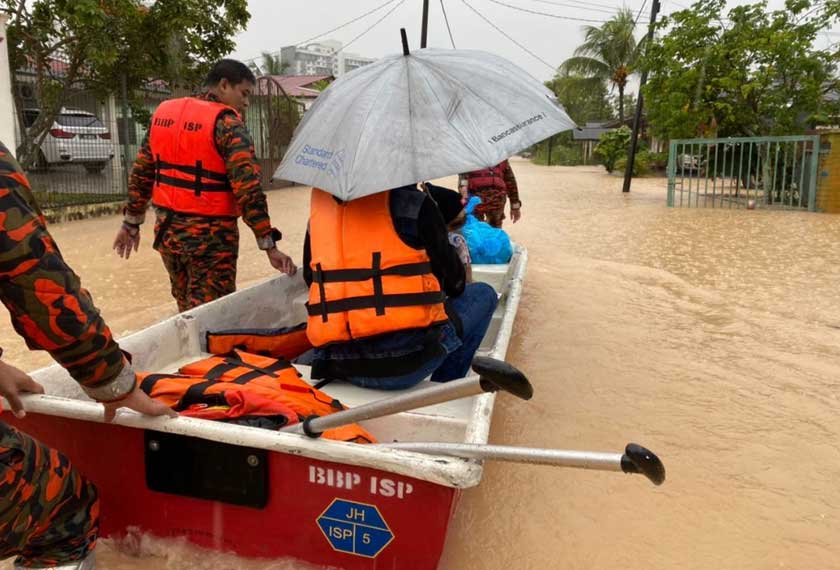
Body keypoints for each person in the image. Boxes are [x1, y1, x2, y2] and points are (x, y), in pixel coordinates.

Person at [0, 141, 175, 569]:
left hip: (173, 236)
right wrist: (112, 381)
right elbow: (35, 279)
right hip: (201, 236)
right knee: (68, 508)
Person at [113, 59, 296, 313]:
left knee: (186, 311)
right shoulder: (227, 124)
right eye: (244, 94)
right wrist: (269, 245)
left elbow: (142, 172)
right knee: (213, 317)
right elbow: (248, 190)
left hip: (168, 236)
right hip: (211, 242)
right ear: (224, 85)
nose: (246, 103)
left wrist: (131, 223)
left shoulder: (164, 114)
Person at [301, 184, 498, 390]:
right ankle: (444, 388)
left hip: (335, 363)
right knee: (484, 294)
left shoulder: (319, 215)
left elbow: (310, 279)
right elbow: (455, 284)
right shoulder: (415, 204)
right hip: (403, 365)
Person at [424, 183, 472, 283]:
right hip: (453, 289)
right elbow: (468, 277)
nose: (465, 212)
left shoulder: (424, 238)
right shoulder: (457, 240)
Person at [459, 159, 522, 228]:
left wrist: (515, 206)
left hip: (496, 198)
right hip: (477, 198)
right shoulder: (471, 155)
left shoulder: (500, 156)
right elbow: (463, 180)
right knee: (475, 227)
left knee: (491, 227)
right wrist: (464, 198)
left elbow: (510, 181)